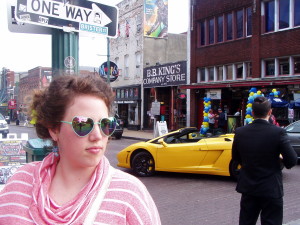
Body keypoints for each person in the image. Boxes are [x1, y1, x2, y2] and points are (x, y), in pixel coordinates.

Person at [0, 75, 161, 225]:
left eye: (106, 124)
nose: (97, 136)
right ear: (54, 129)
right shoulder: (20, 184)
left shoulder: (130, 194)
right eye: (83, 124)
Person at [232, 96, 297, 225]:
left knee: (246, 221)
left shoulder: (240, 132)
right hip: (271, 188)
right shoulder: (278, 132)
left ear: (252, 113)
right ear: (270, 112)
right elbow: (292, 161)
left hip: (249, 187)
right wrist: (279, 158)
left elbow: (236, 158)